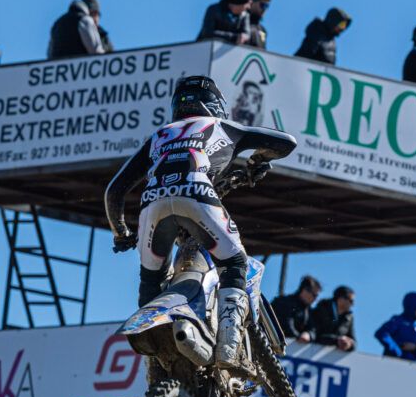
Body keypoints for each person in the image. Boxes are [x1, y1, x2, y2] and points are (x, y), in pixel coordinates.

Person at [105, 75, 297, 364]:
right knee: (234, 263)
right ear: (216, 105)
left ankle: (158, 359)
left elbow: (114, 191)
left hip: (152, 203)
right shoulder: (224, 127)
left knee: (151, 281)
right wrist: (258, 159)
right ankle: (229, 342)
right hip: (197, 193)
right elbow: (286, 143)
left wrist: (121, 232)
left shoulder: (160, 135)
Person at [374, 292, 416, 361]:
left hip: (410, 367)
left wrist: (415, 348)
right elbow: (381, 334)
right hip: (392, 364)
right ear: (413, 305)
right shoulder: (397, 321)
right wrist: (398, 349)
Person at [271, 276, 321, 344]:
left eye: (317, 296)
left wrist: (308, 334)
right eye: (314, 295)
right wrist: (299, 337)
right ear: (305, 290)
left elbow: (313, 329)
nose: (315, 299)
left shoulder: (308, 311)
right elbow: (286, 325)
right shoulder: (284, 302)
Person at [310, 285, 356, 351]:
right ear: (340, 298)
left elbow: (354, 341)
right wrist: (336, 341)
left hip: (333, 358)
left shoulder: (349, 318)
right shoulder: (322, 309)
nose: (352, 304)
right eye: (351, 301)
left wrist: (350, 344)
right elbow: (315, 334)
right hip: (313, 353)